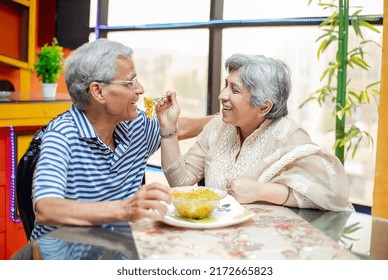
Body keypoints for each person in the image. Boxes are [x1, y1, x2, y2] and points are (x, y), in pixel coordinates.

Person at [31, 38, 212, 240]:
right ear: (98, 91)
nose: (140, 89)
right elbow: (46, 209)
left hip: (117, 250)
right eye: (131, 82)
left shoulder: (135, 126)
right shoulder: (61, 136)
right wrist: (125, 209)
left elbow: (178, 127)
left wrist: (226, 118)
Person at [156, 53, 354, 211]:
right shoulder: (217, 127)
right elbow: (179, 182)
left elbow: (331, 193)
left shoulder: (289, 135)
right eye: (226, 85)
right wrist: (168, 128)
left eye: (234, 90)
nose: (222, 95)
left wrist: (263, 191)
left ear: (263, 107)